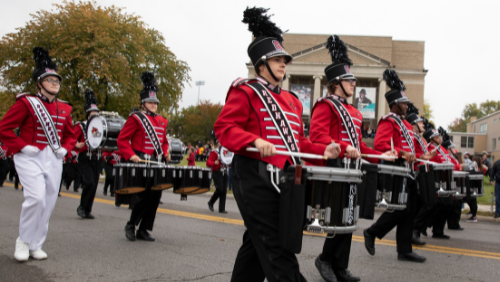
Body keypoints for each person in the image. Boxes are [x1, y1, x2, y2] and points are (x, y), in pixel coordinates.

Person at [214, 7, 339, 282]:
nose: (284, 64)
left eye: (285, 59)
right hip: (254, 177)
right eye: (277, 59)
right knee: (277, 248)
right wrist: (254, 140)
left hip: (284, 180)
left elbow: (299, 143)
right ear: (261, 65)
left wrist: (323, 151)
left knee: (257, 244)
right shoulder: (245, 92)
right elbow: (223, 128)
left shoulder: (293, 101)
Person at [309, 35, 396, 282]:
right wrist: (344, 147)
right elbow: (317, 135)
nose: (354, 83)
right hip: (335, 168)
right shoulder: (325, 105)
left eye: (354, 79)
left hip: (353, 169)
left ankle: (340, 266)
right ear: (336, 82)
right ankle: (324, 259)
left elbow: (360, 146)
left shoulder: (355, 112)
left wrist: (382, 155)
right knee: (337, 218)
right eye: (350, 79)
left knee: (349, 218)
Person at [0, 47, 77, 261]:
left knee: (49, 203)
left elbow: (71, 136)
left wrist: (66, 148)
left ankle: (36, 243)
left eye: (57, 80)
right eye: (50, 79)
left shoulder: (65, 109)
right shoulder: (26, 103)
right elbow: (3, 128)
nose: (55, 83)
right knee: (35, 198)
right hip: (29, 156)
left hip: (53, 159)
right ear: (39, 83)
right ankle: (23, 241)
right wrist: (21, 146)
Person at [363, 69, 426, 263]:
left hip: (408, 171)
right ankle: (372, 232)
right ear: (395, 104)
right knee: (400, 209)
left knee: (409, 210)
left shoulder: (406, 124)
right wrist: (402, 153)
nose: (407, 104)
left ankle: (404, 249)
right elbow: (381, 145)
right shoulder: (388, 121)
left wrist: (418, 156)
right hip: (396, 170)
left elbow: (411, 146)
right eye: (404, 102)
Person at [118, 72, 170, 242]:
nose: (154, 105)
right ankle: (131, 224)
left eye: (155, 102)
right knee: (145, 196)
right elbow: (122, 139)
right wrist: (131, 155)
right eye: (150, 102)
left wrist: (166, 151)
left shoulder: (162, 120)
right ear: (143, 103)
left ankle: (144, 229)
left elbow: (163, 141)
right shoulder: (136, 119)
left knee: (156, 197)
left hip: (156, 162)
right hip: (140, 160)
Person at [403, 103, 437, 246]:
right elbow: (413, 154)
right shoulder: (413, 137)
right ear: (414, 125)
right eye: (420, 122)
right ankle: (414, 230)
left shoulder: (421, 138)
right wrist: (423, 157)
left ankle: (415, 231)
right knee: (426, 204)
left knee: (429, 204)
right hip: (418, 172)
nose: (423, 124)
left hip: (425, 171)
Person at [76, 90, 103, 219]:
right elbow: (70, 140)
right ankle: (81, 207)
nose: (95, 115)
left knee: (95, 184)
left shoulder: (100, 128)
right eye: (93, 113)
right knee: (89, 183)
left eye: (96, 113)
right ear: (88, 114)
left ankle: (87, 209)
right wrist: (77, 145)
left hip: (97, 158)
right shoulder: (80, 126)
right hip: (85, 157)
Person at [207, 139, 228, 214]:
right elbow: (208, 162)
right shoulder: (214, 152)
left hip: (225, 171)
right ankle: (211, 202)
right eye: (220, 142)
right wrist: (214, 163)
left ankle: (221, 208)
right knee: (220, 189)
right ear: (217, 144)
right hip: (217, 171)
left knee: (224, 191)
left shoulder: (226, 151)